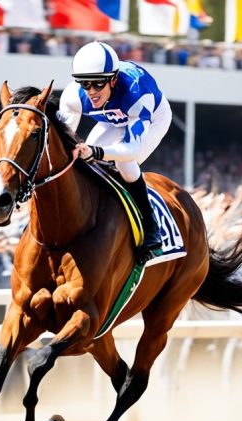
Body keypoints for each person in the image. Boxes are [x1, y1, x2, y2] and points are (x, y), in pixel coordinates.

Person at [59, 40, 170, 265]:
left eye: (97, 84)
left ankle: (150, 227)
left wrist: (97, 151)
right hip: (112, 120)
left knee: (126, 163)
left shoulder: (137, 94)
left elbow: (132, 149)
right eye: (84, 84)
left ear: (113, 79)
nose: (91, 91)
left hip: (152, 118)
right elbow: (64, 141)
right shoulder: (73, 96)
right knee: (86, 162)